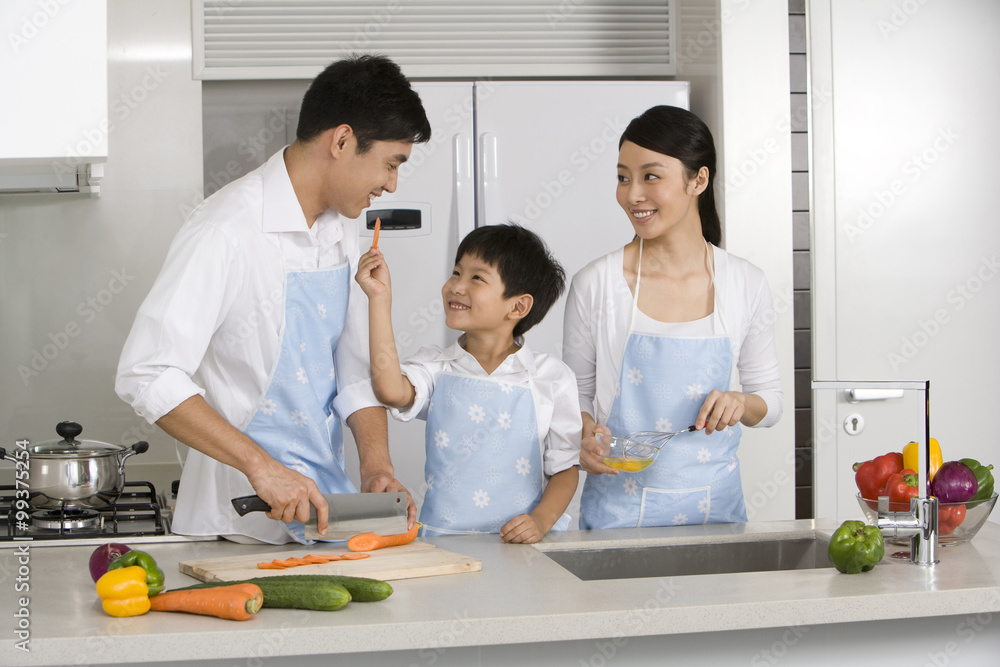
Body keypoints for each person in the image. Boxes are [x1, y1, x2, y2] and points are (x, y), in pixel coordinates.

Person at [115, 55, 431, 544]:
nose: (391, 184)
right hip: (235, 524)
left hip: (325, 511)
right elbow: (146, 373)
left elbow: (351, 366)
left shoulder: (343, 231)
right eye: (392, 163)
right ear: (342, 141)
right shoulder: (226, 230)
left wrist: (375, 465)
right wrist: (260, 467)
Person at [562, 105, 783, 529]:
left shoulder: (744, 283)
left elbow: (769, 403)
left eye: (651, 176)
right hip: (616, 517)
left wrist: (740, 402)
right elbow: (574, 400)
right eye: (623, 177)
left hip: (716, 515)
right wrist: (584, 437)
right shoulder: (596, 283)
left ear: (698, 179)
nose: (632, 194)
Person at [355, 224, 582, 543]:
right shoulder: (435, 366)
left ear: (518, 306)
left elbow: (565, 468)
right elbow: (390, 390)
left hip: (521, 546)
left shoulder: (551, 376)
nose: (455, 286)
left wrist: (540, 521)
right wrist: (379, 299)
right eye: (456, 272)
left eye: (476, 278)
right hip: (442, 540)